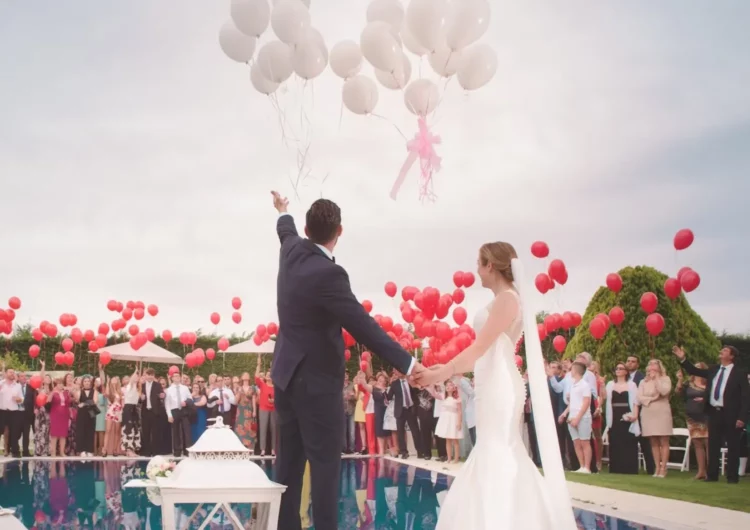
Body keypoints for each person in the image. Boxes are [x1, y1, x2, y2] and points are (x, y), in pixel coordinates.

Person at [269, 191, 423, 530]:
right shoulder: (329, 275)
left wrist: (282, 211)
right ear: (339, 231)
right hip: (317, 388)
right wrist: (409, 364)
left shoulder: (291, 250)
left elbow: (284, 230)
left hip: (284, 379)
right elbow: (363, 326)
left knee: (287, 472)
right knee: (324, 473)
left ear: (306, 228)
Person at [415, 242, 574, 530]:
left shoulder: (507, 300)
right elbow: (481, 351)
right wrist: (444, 370)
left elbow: (480, 346)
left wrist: (442, 372)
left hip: (500, 386)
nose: (476, 269)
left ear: (491, 265)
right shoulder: (504, 298)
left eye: (479, 263)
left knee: (500, 449)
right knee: (493, 449)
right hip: (491, 382)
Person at [673, 345, 750, 484]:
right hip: (714, 412)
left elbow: (745, 398)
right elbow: (693, 370)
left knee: (733, 445)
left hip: (731, 413)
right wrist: (682, 358)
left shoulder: (739, 373)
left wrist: (742, 417)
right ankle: (712, 475)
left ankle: (732, 477)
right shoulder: (713, 370)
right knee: (713, 444)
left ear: (732, 356)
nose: (721, 351)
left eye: (725, 350)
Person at [637, 359, 673, 478]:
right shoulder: (643, 381)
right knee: (653, 441)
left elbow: (664, 392)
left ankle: (664, 468)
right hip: (648, 412)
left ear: (659, 366)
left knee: (663, 440)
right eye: (650, 364)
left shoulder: (665, 379)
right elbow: (639, 398)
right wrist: (652, 399)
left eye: (654, 364)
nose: (652, 366)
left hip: (662, 412)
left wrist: (657, 379)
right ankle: (657, 467)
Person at [605, 362, 640, 474]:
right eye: (616, 368)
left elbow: (635, 402)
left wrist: (634, 415)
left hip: (627, 413)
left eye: (621, 368)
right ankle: (616, 467)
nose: (618, 370)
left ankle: (629, 468)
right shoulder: (610, 384)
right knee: (615, 440)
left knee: (628, 440)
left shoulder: (632, 385)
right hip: (614, 415)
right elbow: (604, 397)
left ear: (626, 371)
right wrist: (601, 385)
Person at [676, 363, 709, 479]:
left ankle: (711, 471)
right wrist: (679, 380)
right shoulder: (688, 383)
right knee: (697, 443)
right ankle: (701, 471)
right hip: (691, 416)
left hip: (706, 416)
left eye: (698, 367)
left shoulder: (709, 382)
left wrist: (705, 399)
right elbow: (678, 393)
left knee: (707, 442)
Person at [558, 363, 593, 473]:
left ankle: (587, 467)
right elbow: (572, 403)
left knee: (584, 442)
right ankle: (581, 466)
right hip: (572, 416)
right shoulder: (573, 385)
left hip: (583, 417)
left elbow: (586, 402)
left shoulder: (585, 385)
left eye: (571, 369)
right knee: (576, 442)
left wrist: (578, 417)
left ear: (576, 371)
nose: (569, 371)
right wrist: (564, 414)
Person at [434, 380, 463, 463]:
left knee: (455, 439)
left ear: (454, 388)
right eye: (447, 385)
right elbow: (434, 394)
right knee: (448, 439)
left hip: (454, 418)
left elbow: (459, 411)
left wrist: (459, 422)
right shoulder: (443, 396)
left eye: (450, 385)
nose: (448, 387)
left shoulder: (457, 398)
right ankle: (449, 458)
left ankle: (456, 458)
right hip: (446, 419)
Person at [165, 371, 191, 457]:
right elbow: (167, 403)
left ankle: (187, 449)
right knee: (175, 431)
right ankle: (177, 450)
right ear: (172, 378)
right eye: (175, 376)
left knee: (186, 430)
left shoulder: (185, 388)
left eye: (178, 376)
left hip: (183, 409)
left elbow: (190, 398)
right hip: (174, 410)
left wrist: (186, 402)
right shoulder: (168, 390)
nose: (177, 378)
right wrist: (169, 415)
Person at [140, 368, 165, 457]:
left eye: (151, 375)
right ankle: (146, 451)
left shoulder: (157, 385)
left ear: (153, 376)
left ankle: (155, 451)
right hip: (145, 411)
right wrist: (141, 398)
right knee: (145, 432)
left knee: (155, 432)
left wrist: (163, 395)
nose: (150, 377)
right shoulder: (141, 385)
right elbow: (138, 399)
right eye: (148, 375)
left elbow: (162, 394)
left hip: (155, 412)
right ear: (145, 375)